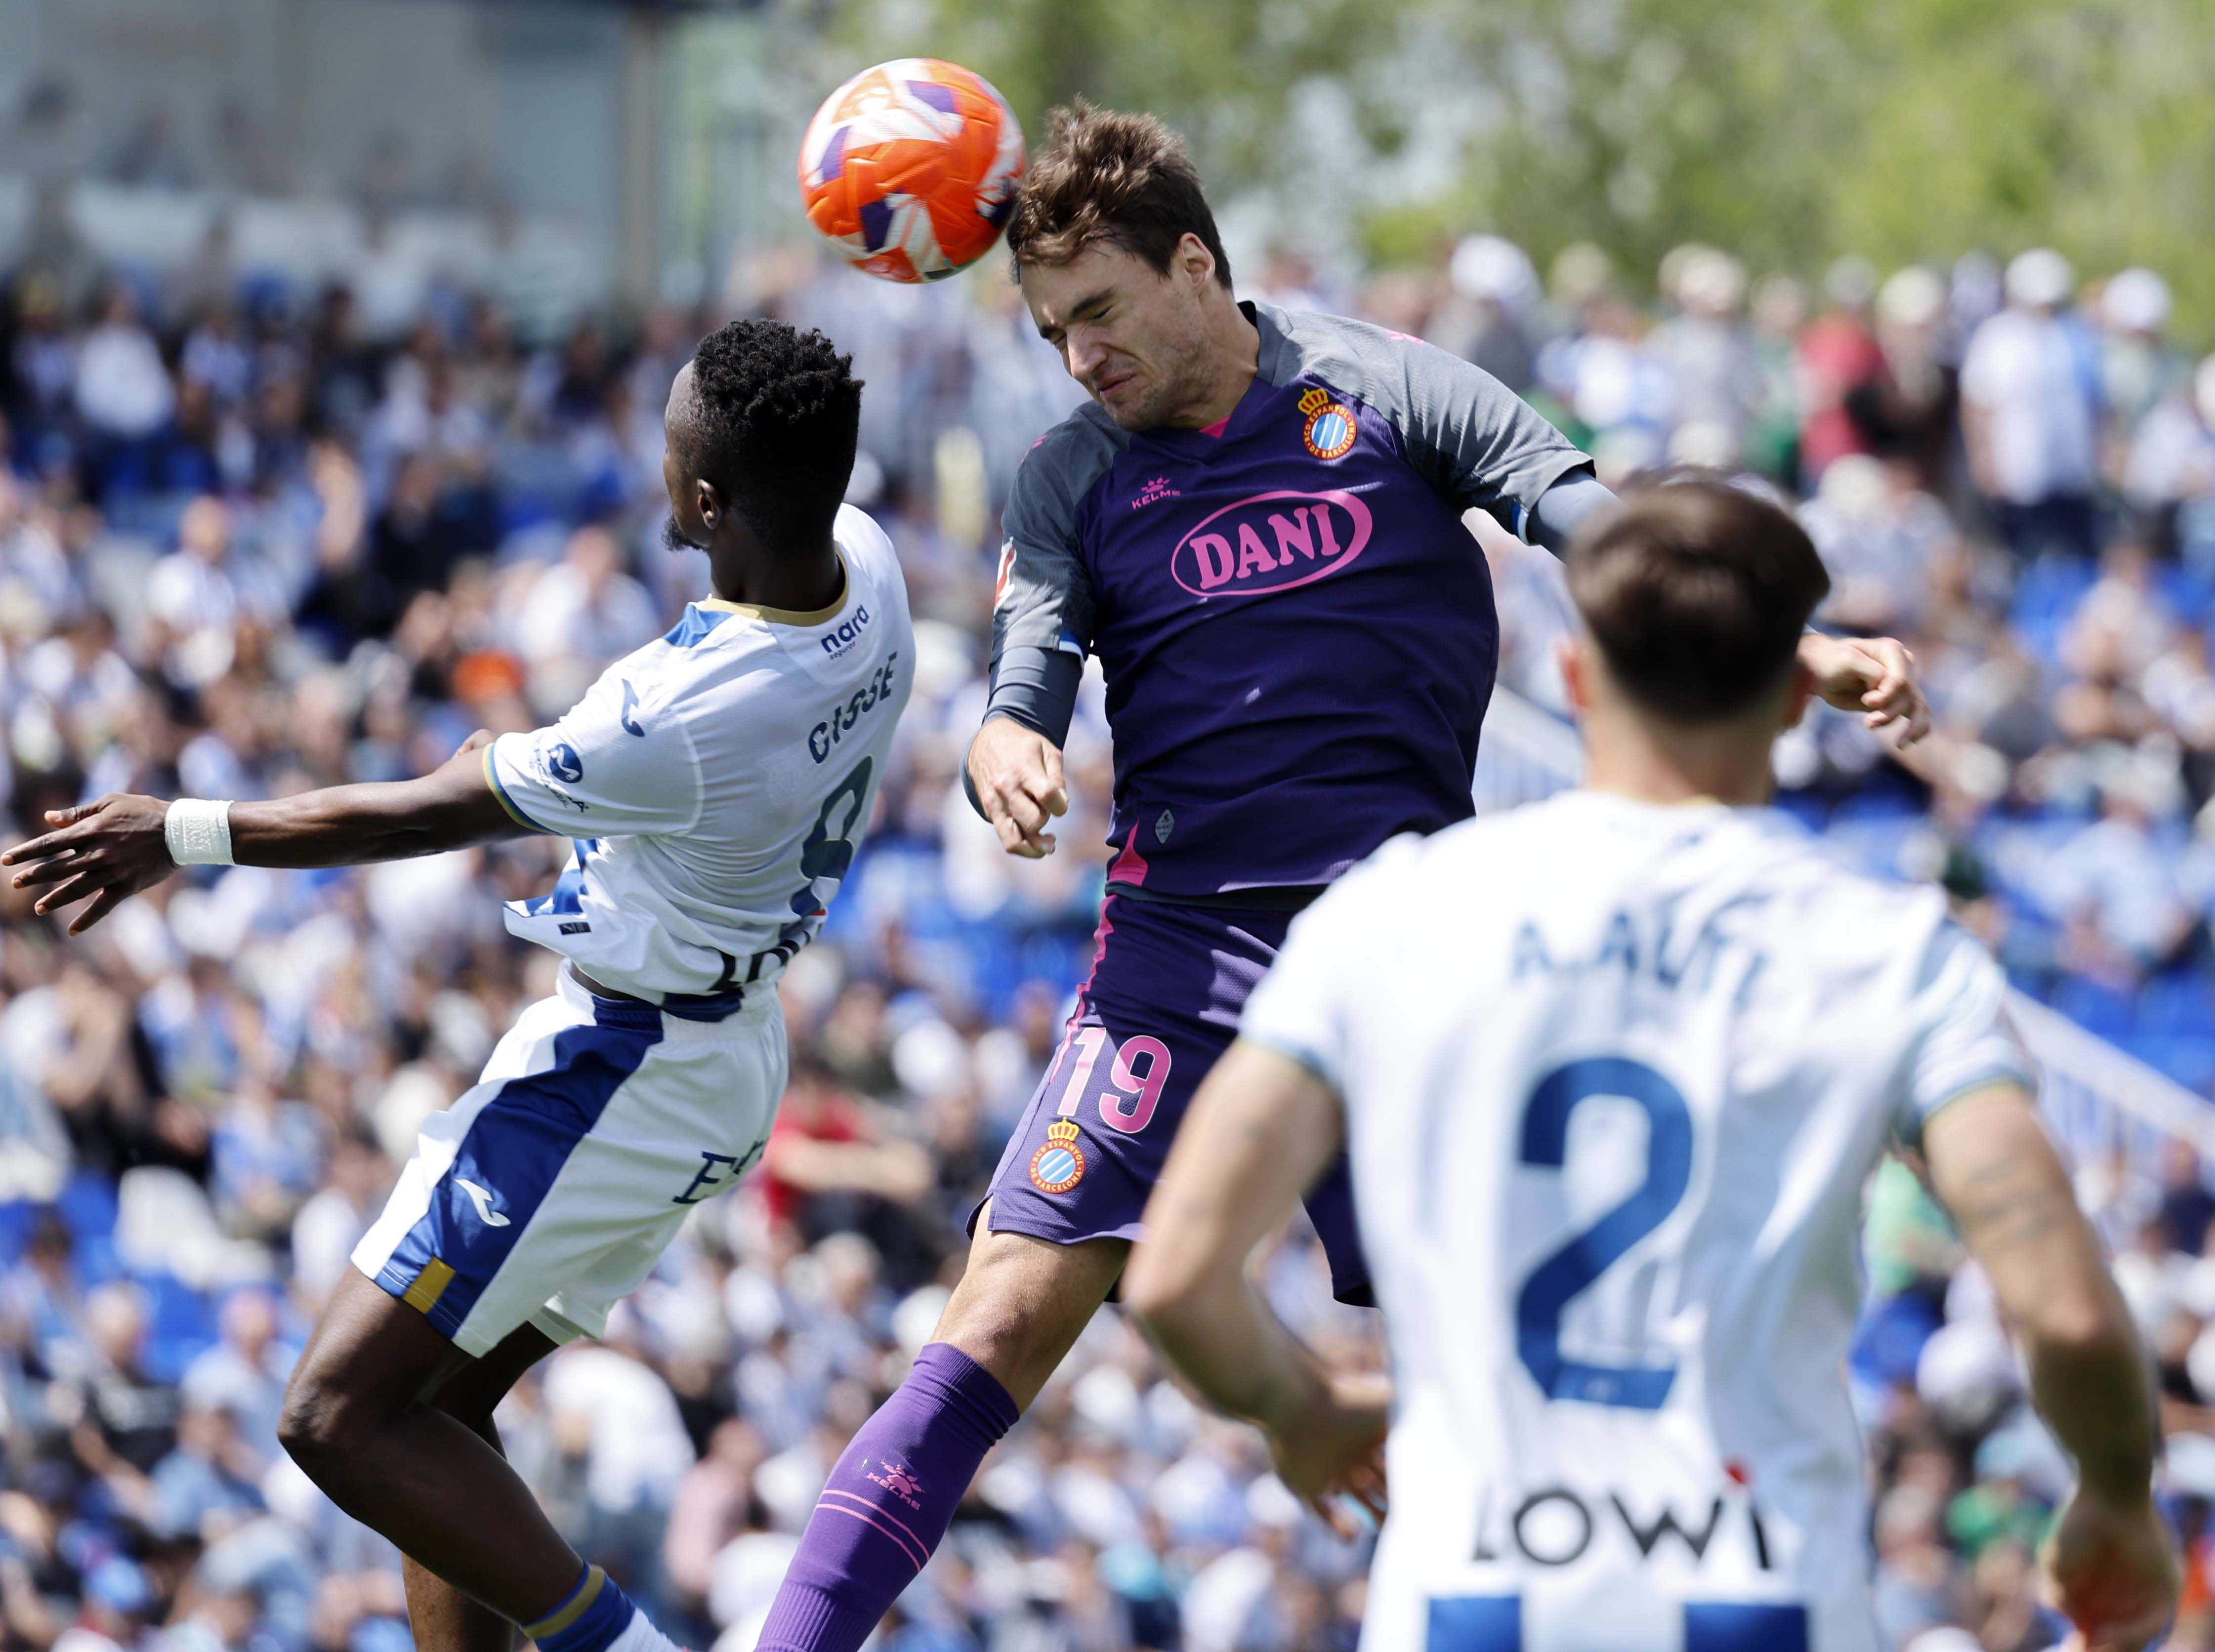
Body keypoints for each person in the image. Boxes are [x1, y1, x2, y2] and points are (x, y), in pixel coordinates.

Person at [752, 103, 1930, 1652]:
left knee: (1502, 1380)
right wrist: (1005, 745)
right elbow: (1026, 676)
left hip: (1402, 967)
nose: (1079, 356)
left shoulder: (1386, 385)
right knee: (998, 1314)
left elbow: (1600, 534)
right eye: (1050, 332)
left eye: (1098, 311)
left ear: (1193, 267)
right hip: (1175, 962)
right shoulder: (1068, 477)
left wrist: (1794, 649)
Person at [1124, 480, 2176, 1652]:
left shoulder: (1392, 916)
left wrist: (1301, 1407)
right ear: (1794, 698)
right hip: (1760, 1603)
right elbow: (2064, 1311)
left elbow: (1178, 1280)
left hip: (1474, 1603)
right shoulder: (1885, 952)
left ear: (1575, 678)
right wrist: (2117, 1499)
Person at [3, 319, 914, 1652]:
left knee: (335, 1413)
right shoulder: (873, 570)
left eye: (670, 452)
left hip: (623, 1070)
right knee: (431, 1416)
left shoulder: (678, 711)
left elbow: (426, 811)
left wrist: (181, 832)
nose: (656, 468)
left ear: (709, 500)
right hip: (720, 1056)